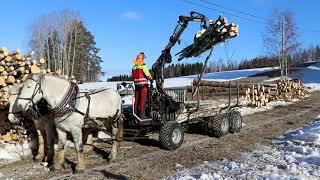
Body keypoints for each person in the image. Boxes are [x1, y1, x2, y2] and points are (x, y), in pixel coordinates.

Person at [132, 52, 152, 119]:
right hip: (143, 86)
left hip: (136, 86)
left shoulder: (134, 67)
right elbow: (147, 74)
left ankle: (135, 113)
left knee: (136, 100)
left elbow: (133, 77)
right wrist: (151, 78)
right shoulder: (143, 66)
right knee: (142, 101)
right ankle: (142, 115)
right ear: (142, 59)